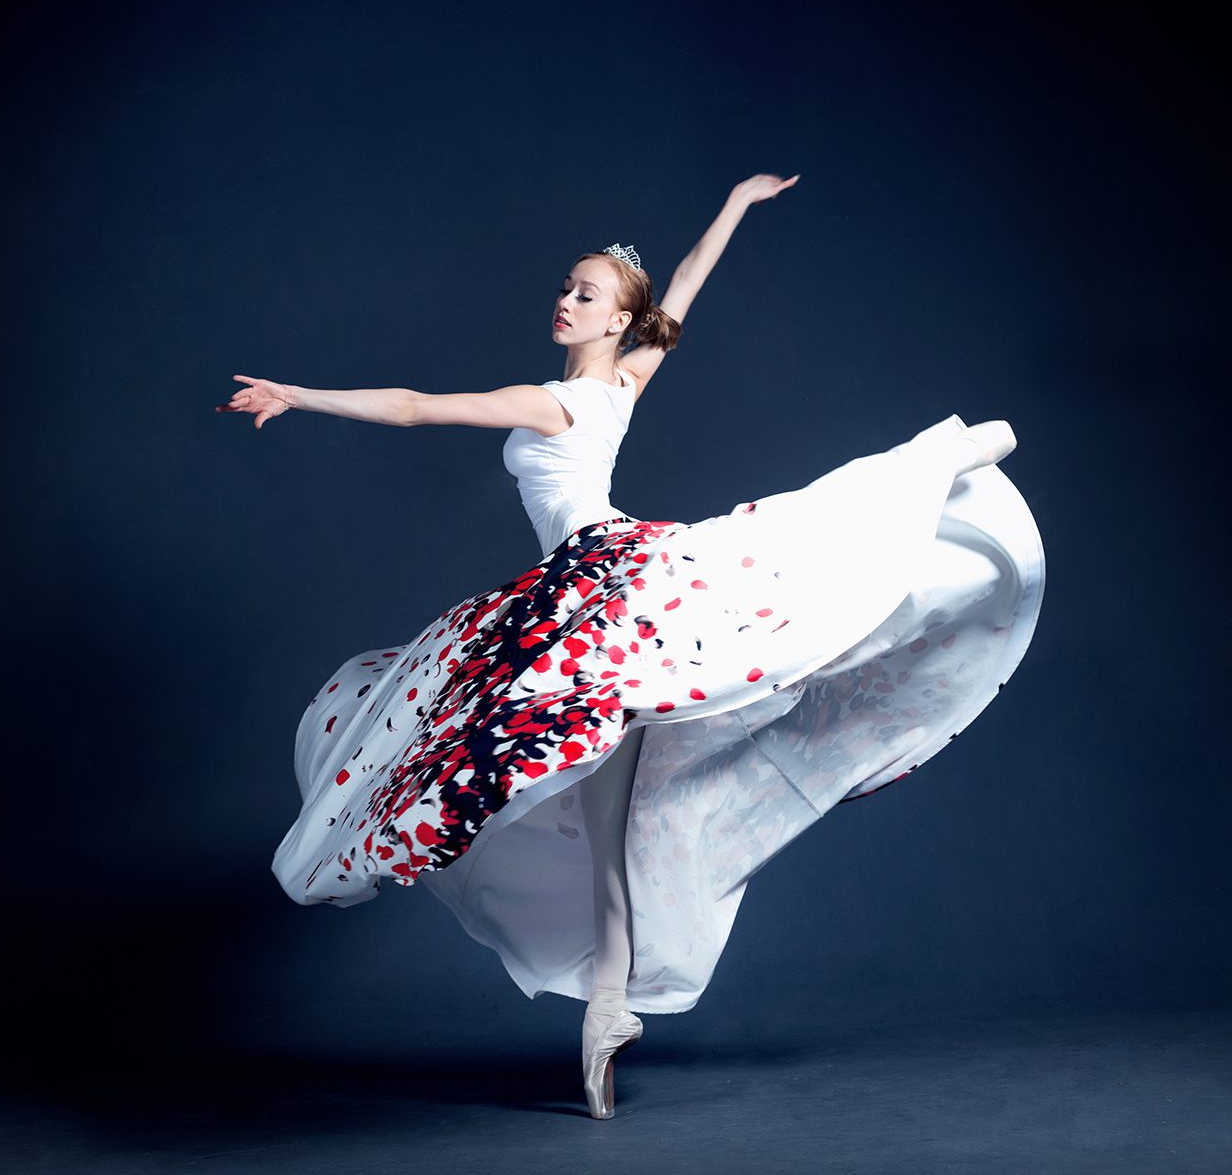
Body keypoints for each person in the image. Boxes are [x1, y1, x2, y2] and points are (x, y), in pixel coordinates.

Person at [216, 173, 1044, 1120]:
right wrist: (733, 206)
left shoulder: (554, 401)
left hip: (593, 584)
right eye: (566, 288)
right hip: (599, 589)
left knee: (772, 549)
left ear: (617, 323)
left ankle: (945, 460)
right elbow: (684, 286)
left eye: (586, 295)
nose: (564, 302)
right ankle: (607, 1013)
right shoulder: (621, 381)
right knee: (607, 827)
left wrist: (296, 393)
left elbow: (411, 405)